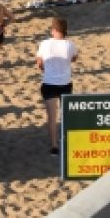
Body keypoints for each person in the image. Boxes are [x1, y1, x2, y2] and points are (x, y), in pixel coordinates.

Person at [37, 16, 78, 155]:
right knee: (66, 115)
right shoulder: (70, 44)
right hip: (65, 82)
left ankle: (54, 146)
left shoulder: (44, 43)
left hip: (49, 83)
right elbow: (74, 58)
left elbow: (39, 63)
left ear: (53, 30)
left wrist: (45, 69)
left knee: (52, 117)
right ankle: (68, 143)